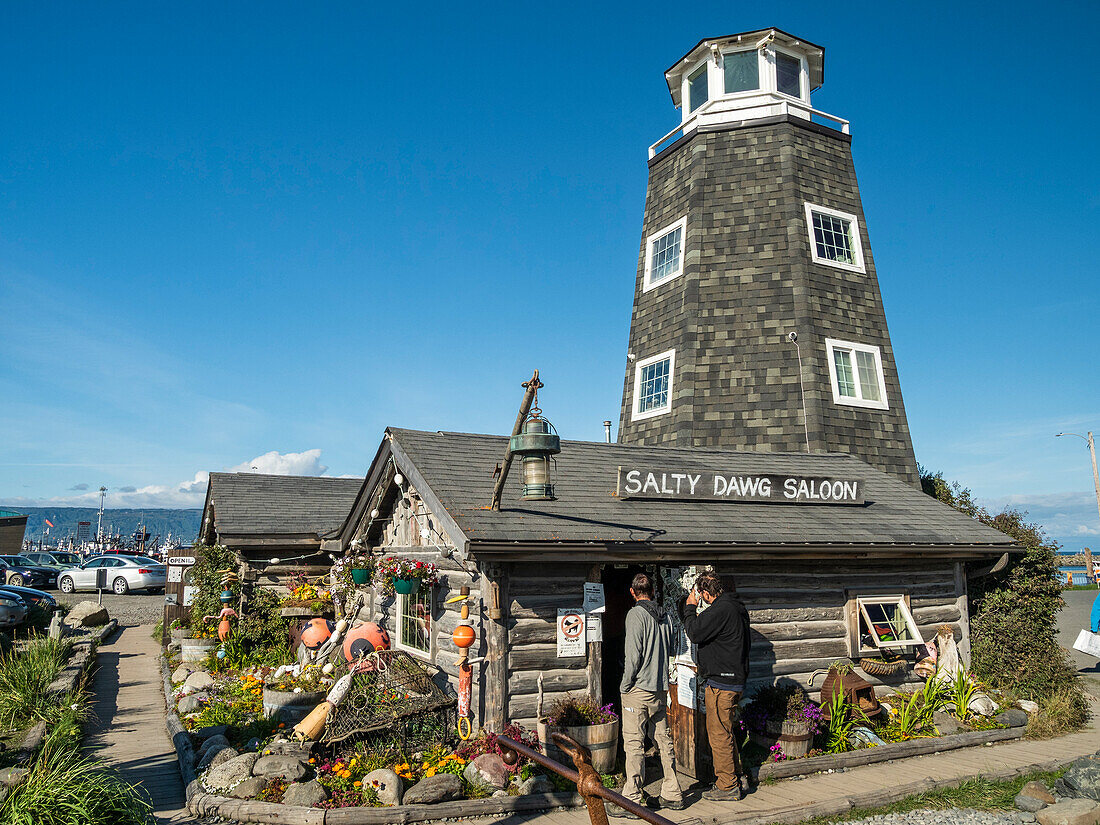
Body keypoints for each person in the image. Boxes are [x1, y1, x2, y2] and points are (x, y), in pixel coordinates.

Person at [613, 572, 683, 817]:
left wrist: (624, 685)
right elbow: (674, 647)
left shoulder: (635, 615)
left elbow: (633, 655)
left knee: (633, 743)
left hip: (638, 689)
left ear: (633, 592)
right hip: (659, 688)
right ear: (652, 591)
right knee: (663, 741)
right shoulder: (666, 617)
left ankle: (632, 798)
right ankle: (673, 792)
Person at [682, 571, 751, 801]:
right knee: (726, 731)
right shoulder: (735, 607)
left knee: (719, 735)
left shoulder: (721, 609)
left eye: (700, 593)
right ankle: (735, 776)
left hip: (722, 682)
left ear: (704, 592)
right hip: (733, 680)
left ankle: (727, 786)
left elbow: (694, 632)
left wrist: (690, 607)